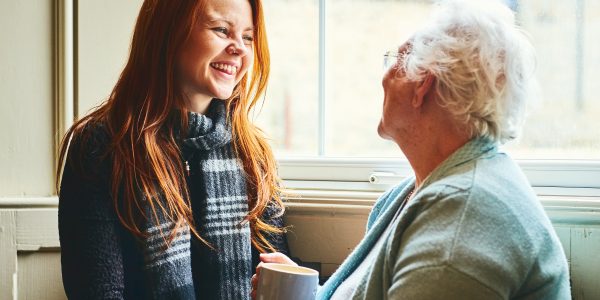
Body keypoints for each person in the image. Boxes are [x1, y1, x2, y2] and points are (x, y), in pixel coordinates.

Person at [253, 0, 571, 299]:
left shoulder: (465, 214)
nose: (384, 78)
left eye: (395, 60)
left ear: (423, 85)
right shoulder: (420, 192)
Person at [57, 0, 288, 299]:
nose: (240, 49)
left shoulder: (253, 153)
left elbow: (276, 278)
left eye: (247, 37)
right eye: (221, 30)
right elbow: (97, 292)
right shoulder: (101, 146)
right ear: (168, 32)